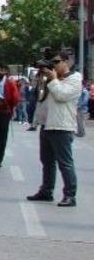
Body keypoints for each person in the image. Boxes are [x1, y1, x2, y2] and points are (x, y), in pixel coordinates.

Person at [26, 51, 81, 207]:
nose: (54, 65)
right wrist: (41, 78)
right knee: (47, 161)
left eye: (57, 62)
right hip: (47, 124)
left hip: (62, 126)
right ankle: (46, 190)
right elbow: (40, 98)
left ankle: (70, 195)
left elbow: (62, 96)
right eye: (52, 63)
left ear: (66, 62)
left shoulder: (74, 79)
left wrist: (54, 79)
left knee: (65, 163)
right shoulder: (51, 79)